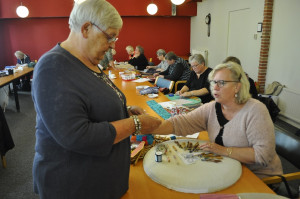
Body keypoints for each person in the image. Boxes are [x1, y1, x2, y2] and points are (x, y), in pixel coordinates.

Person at [31, 1, 161, 198]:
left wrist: (123, 111)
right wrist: (135, 123)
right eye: (110, 37)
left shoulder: (88, 61)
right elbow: (77, 135)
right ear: (86, 28)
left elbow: (90, 106)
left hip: (100, 180)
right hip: (74, 186)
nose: (113, 45)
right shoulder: (53, 66)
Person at [150, 62, 282, 179]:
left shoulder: (256, 110)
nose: (215, 87)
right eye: (213, 82)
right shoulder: (212, 107)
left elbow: (263, 155)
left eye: (222, 83)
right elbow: (180, 123)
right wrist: (147, 126)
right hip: (228, 168)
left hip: (258, 178)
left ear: (237, 86)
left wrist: (223, 151)